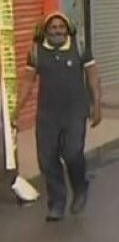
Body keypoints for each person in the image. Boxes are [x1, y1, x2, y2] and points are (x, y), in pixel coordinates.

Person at [16, 13, 103, 222]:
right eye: (53, 27)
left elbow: (93, 76)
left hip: (75, 113)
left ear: (68, 30)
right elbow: (28, 82)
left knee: (72, 153)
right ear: (46, 31)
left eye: (61, 27)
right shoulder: (36, 52)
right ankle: (57, 203)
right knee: (47, 160)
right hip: (47, 115)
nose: (57, 31)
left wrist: (97, 104)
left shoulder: (79, 48)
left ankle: (80, 188)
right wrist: (16, 110)